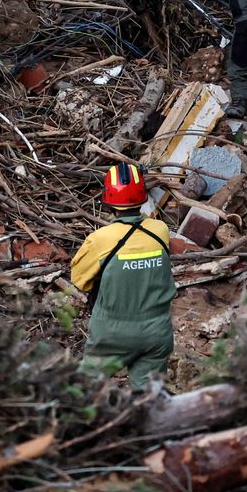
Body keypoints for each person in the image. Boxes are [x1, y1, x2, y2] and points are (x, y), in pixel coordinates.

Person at [70, 163, 176, 388]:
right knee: (151, 398)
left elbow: (79, 280)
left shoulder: (100, 239)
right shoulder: (160, 231)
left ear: (108, 199)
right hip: (157, 332)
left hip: (112, 333)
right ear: (143, 195)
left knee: (83, 393)